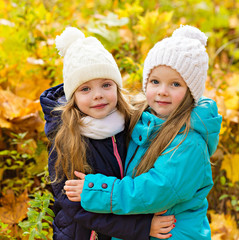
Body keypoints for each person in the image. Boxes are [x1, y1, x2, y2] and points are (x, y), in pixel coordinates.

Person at [64, 25, 223, 240]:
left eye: (175, 84)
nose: (162, 91)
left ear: (191, 92)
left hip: (172, 233)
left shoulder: (189, 142)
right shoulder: (145, 118)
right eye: (155, 81)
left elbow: (154, 191)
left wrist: (96, 190)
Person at [40, 27, 175, 240]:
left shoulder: (131, 124)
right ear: (72, 96)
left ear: (116, 87)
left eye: (106, 85)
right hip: (83, 234)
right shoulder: (66, 139)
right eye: (85, 89)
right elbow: (76, 207)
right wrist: (141, 227)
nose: (98, 95)